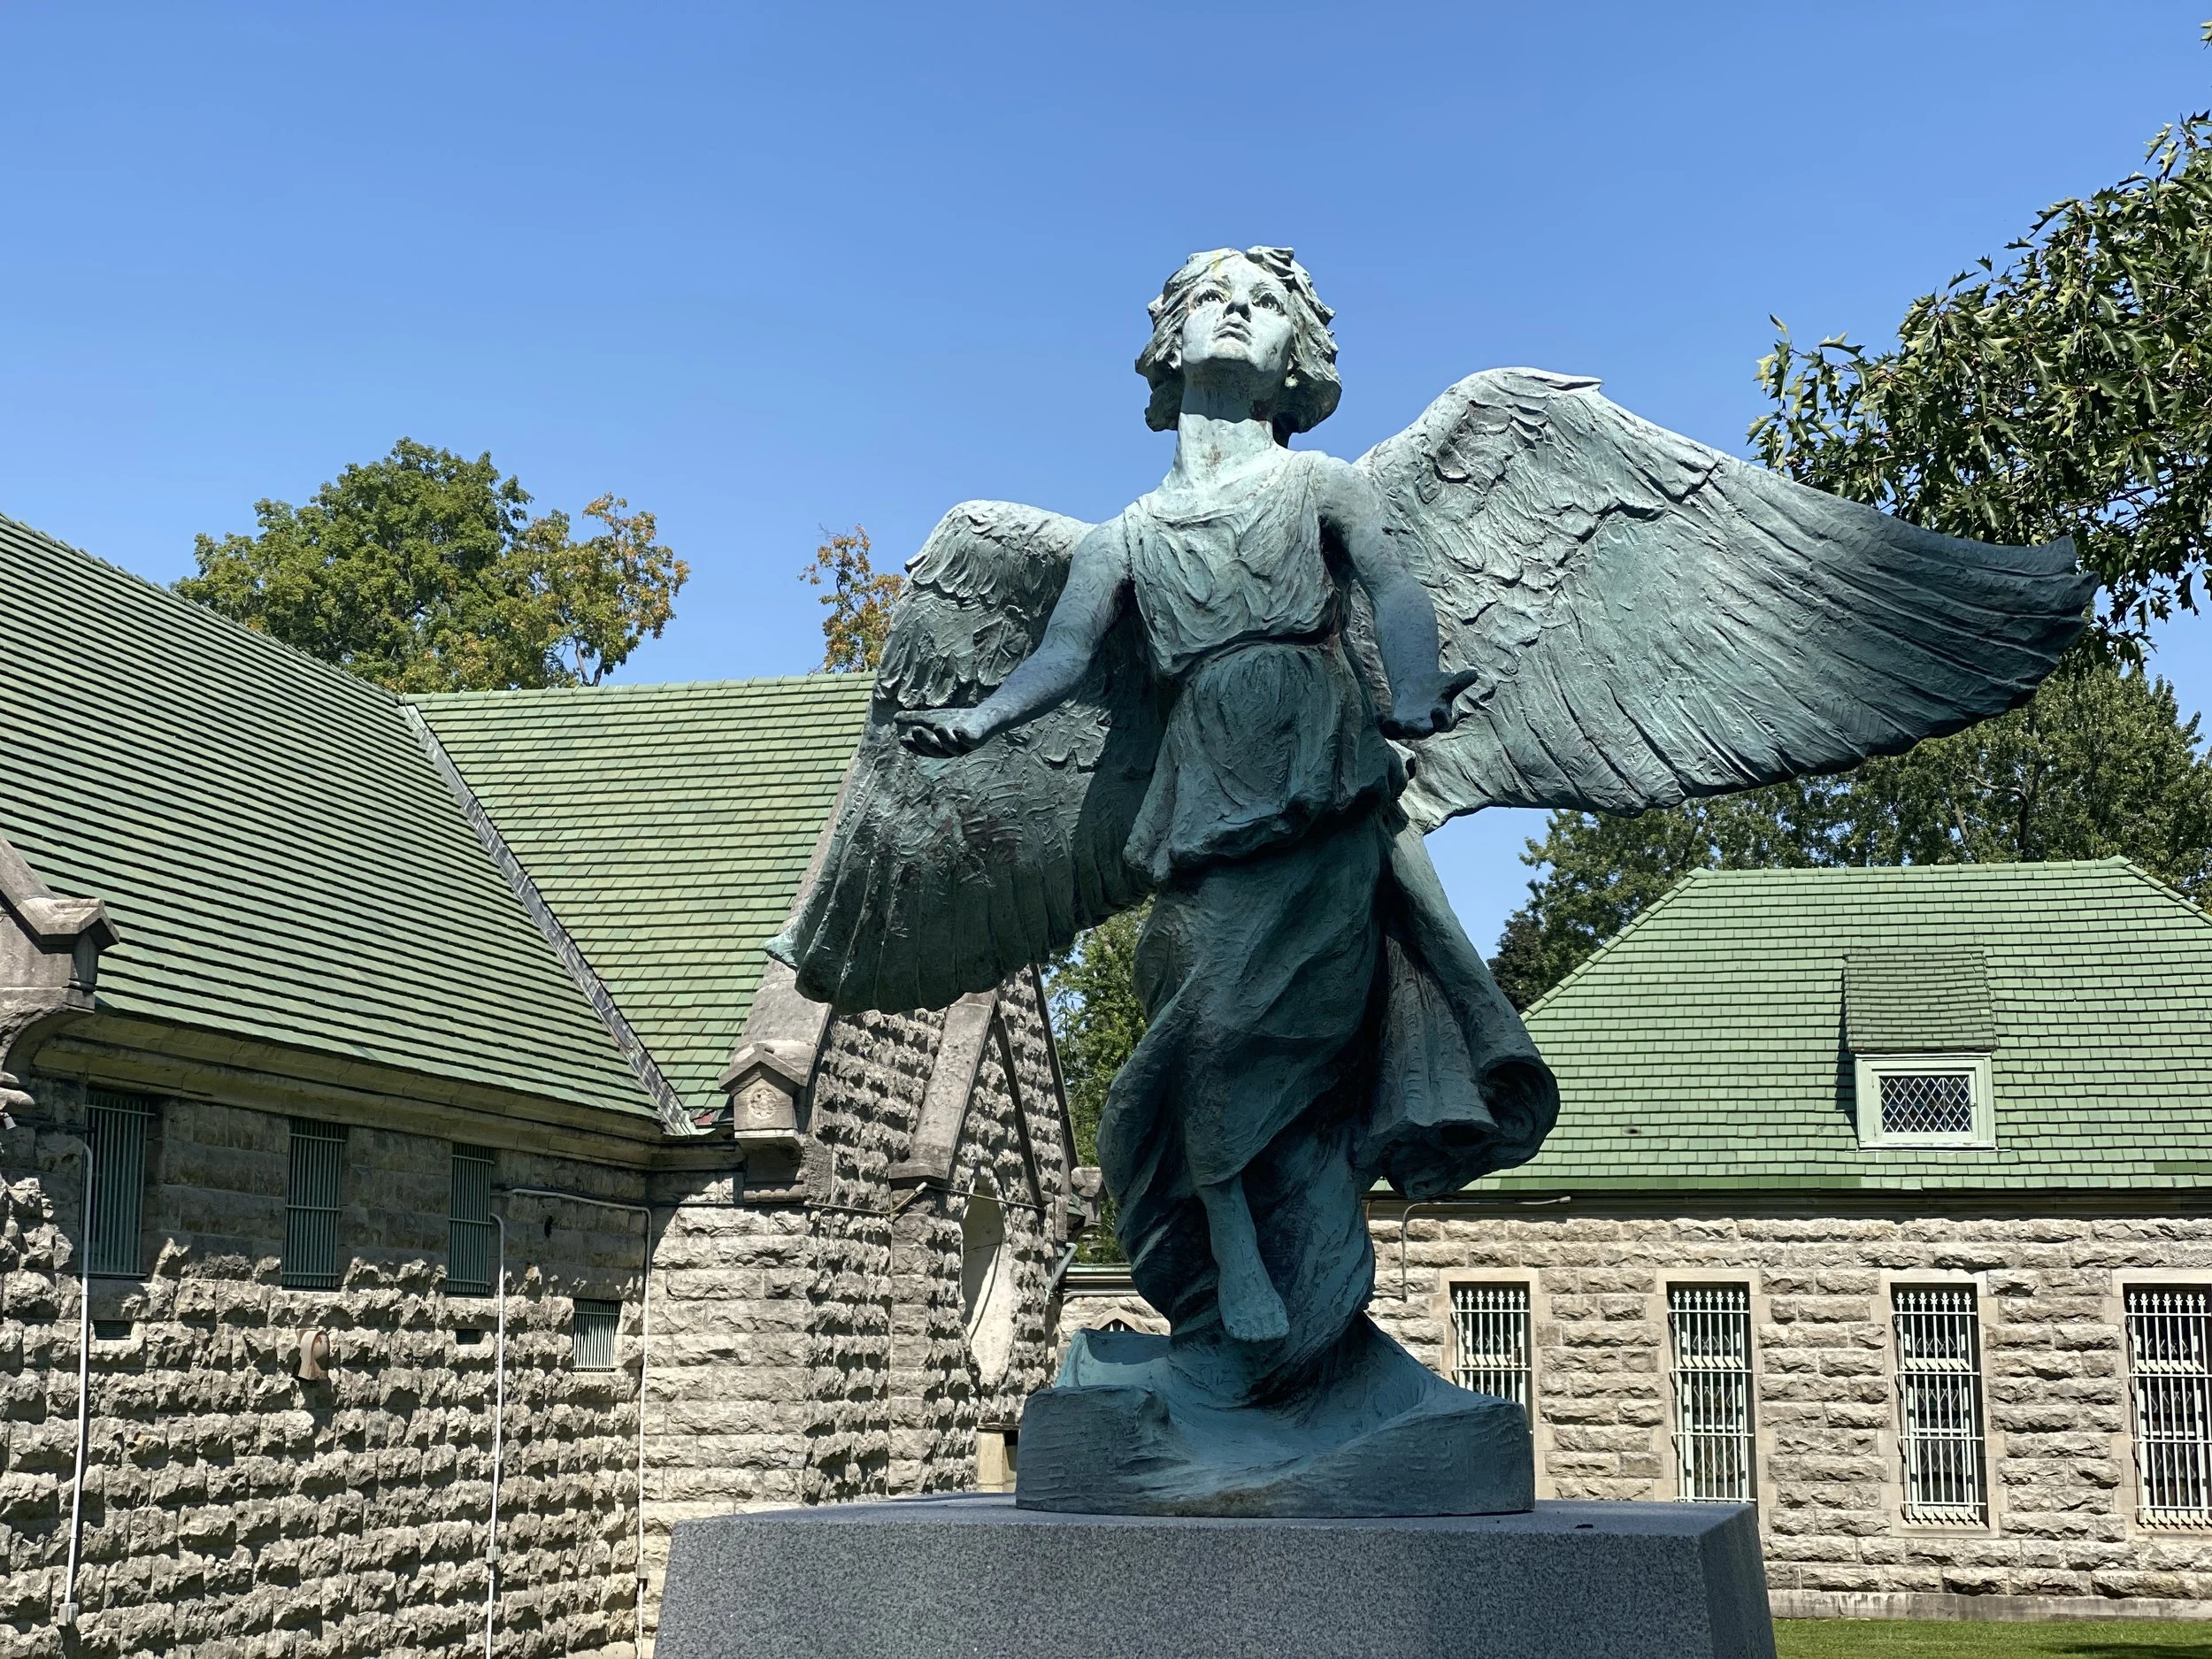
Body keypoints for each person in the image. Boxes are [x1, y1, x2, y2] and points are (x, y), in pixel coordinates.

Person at [895, 248, 1554, 1375]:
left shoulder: (1321, 488)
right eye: (1214, 299)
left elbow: (1395, 593)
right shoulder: (1123, 540)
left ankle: (1294, 1293)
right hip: (1202, 794)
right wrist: (979, 721)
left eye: (1264, 304)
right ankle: (1228, 1249)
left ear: (1294, 351)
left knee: (1288, 1029)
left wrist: (1417, 688)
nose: (1238, 315)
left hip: (1324, 783)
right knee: (1194, 1024)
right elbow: (1060, 658)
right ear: (1168, 339)